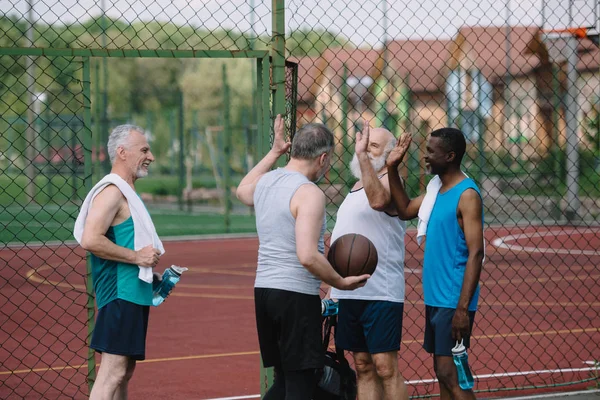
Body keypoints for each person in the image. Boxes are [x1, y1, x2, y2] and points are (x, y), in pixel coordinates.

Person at [236, 115, 370, 400]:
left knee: (286, 379)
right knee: (301, 384)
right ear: (322, 158)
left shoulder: (267, 183)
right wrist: (341, 282)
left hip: (265, 292)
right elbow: (307, 255)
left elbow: (241, 190)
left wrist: (274, 152)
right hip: (294, 296)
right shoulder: (309, 193)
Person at [386, 127, 485, 400]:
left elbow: (476, 253)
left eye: (431, 151)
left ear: (450, 156)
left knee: (451, 375)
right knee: (442, 374)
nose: (425, 156)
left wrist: (462, 309)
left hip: (453, 300)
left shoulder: (467, 195)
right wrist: (392, 167)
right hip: (437, 298)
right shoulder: (436, 190)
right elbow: (405, 209)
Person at [75, 125, 162, 400]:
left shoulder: (127, 191)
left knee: (124, 371)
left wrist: (148, 270)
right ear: (122, 152)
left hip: (132, 292)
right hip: (118, 293)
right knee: (112, 373)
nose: (151, 156)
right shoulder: (112, 191)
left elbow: (125, 241)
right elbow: (90, 239)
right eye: (144, 150)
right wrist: (137, 258)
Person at [330, 123, 409, 400]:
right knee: (362, 365)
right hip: (348, 289)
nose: (365, 149)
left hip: (381, 291)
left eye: (374, 146)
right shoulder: (355, 185)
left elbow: (378, 201)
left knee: (385, 366)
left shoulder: (389, 181)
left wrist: (363, 157)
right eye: (364, 143)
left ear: (390, 155)